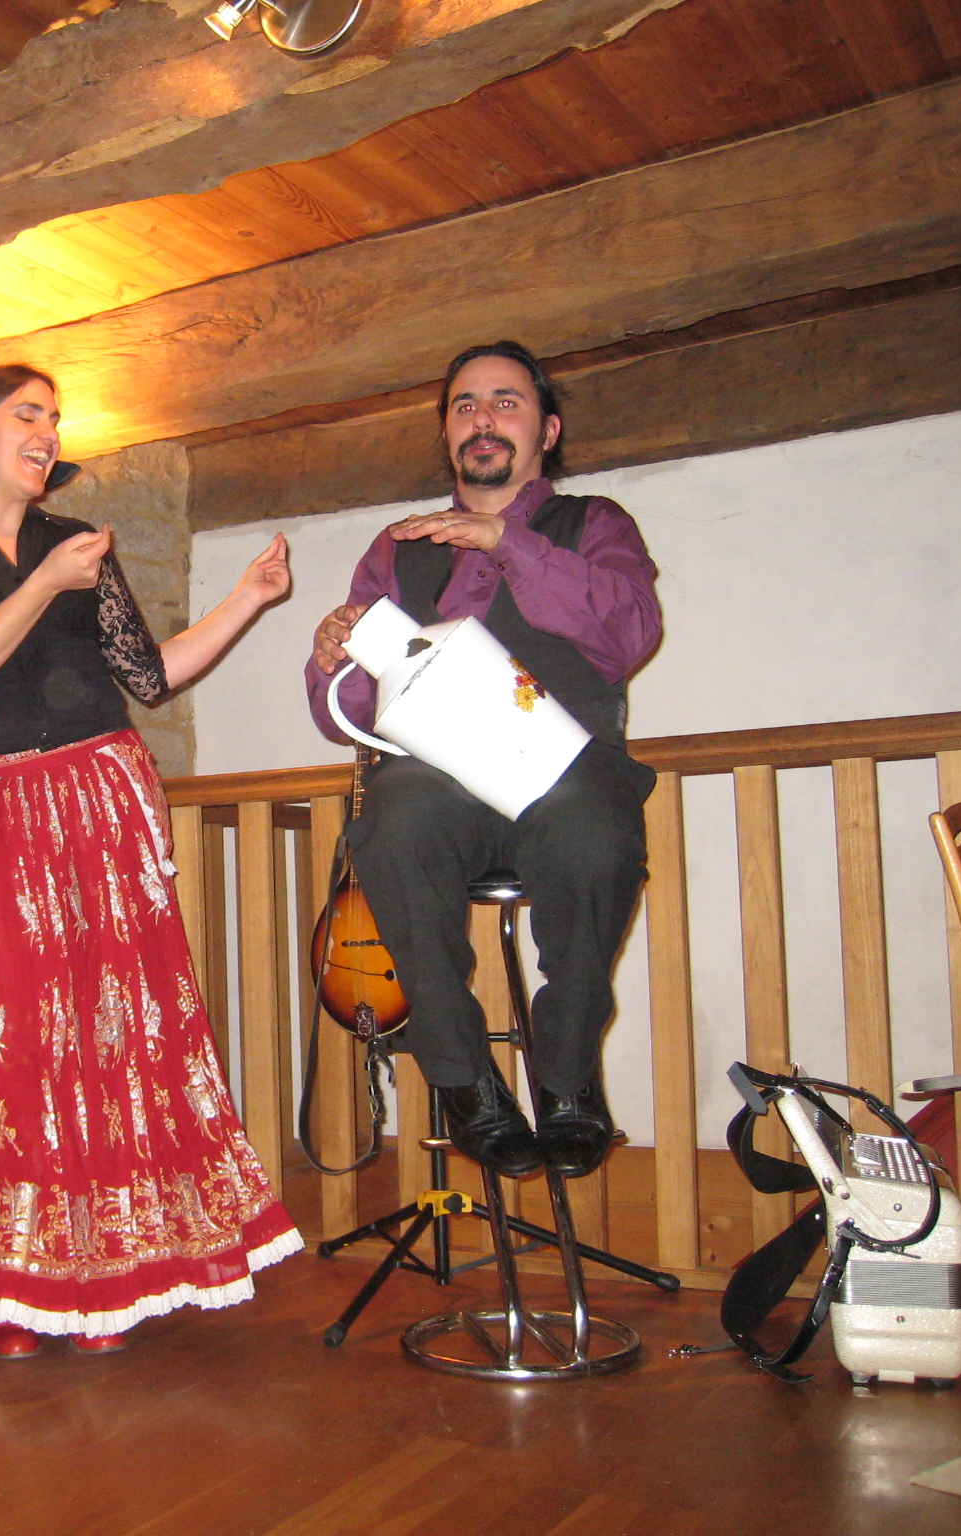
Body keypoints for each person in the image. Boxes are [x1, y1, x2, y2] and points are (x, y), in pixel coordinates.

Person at [0, 363, 302, 1357]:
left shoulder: (75, 544)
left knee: (113, 1035)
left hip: (98, 798)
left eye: (55, 419)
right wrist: (41, 587)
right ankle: (13, 1285)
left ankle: (111, 1268)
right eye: (27, 414)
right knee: (6, 1035)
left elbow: (147, 675)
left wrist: (246, 598)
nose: (47, 432)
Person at [305, 341, 661, 1180]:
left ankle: (568, 1077)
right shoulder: (398, 546)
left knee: (594, 834)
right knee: (394, 821)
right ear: (447, 433)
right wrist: (334, 659)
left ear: (548, 431)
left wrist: (507, 541)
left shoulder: (594, 524)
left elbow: (630, 634)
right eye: (465, 406)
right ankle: (462, 1077)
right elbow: (346, 718)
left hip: (564, 775)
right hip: (440, 786)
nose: (483, 419)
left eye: (506, 401)